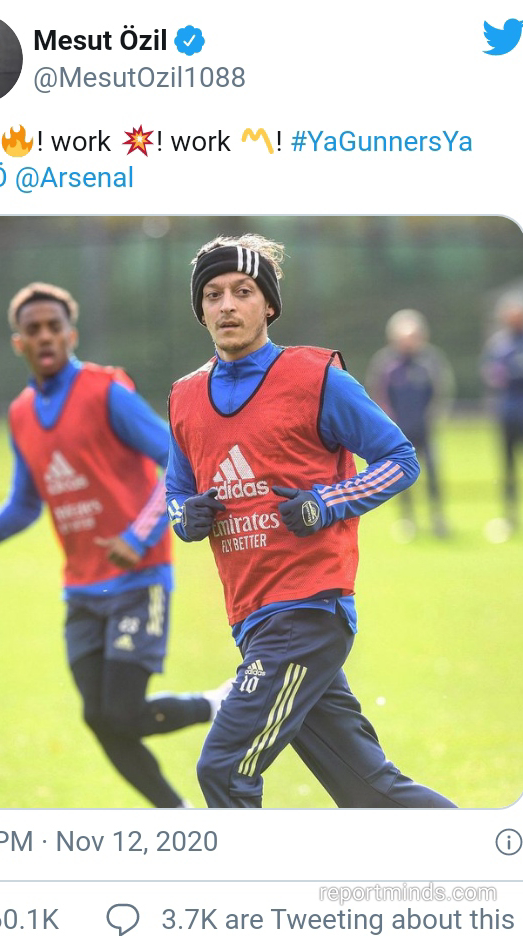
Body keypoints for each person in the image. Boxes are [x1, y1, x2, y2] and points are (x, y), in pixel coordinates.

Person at [166, 235, 456, 809]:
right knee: (371, 792)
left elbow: (400, 460)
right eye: (213, 294)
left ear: (268, 305)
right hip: (252, 618)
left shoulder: (315, 378)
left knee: (224, 767)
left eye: (243, 292)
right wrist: (185, 516)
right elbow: (176, 492)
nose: (227, 305)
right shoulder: (185, 397)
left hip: (308, 611)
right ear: (200, 309)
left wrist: (325, 503)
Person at [0, 282, 225, 808]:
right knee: (99, 717)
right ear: (19, 343)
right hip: (82, 591)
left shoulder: (106, 392)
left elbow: (177, 462)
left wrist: (138, 535)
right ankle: (179, 816)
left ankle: (219, 705)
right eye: (33, 330)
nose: (45, 336)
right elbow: (25, 503)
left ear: (70, 335)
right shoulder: (21, 414)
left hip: (139, 579)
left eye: (54, 327)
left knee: (119, 712)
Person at [365, 309, 455, 539]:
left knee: (432, 474)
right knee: (400, 476)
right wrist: (388, 424)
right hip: (399, 433)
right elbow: (378, 395)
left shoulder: (430, 361)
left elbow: (440, 392)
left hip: (425, 430)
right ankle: (407, 520)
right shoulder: (386, 363)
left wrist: (431, 418)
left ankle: (437, 518)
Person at [481, 298, 523, 536]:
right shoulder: (499, 345)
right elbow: (492, 376)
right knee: (508, 468)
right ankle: (509, 515)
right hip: (507, 416)